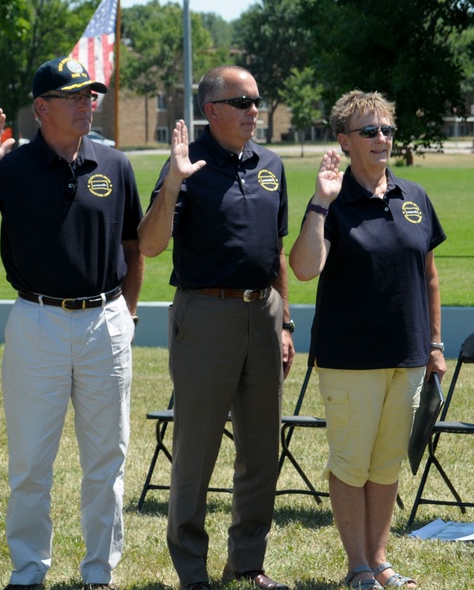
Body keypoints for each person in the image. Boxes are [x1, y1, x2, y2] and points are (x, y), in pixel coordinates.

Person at [0, 56, 144, 590]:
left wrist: (128, 313)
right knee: (32, 462)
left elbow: (134, 246)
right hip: (36, 322)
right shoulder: (10, 166)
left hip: (106, 320)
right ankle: (28, 571)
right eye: (75, 97)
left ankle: (100, 572)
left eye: (90, 96)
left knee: (107, 460)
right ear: (42, 108)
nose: (87, 105)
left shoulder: (115, 164)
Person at [138, 65, 294, 590]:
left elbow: (275, 254)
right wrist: (175, 182)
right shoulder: (187, 164)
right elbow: (151, 244)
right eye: (243, 101)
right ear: (212, 110)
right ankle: (191, 569)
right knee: (197, 449)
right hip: (206, 314)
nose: (255, 109)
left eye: (257, 99)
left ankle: (247, 561)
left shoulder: (271, 165)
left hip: (264, 313)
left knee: (261, 447)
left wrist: (286, 322)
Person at [289, 90, 447, 590]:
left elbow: (430, 277)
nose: (382, 139)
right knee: (352, 465)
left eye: (387, 130)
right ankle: (357, 565)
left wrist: (436, 345)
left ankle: (380, 561)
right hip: (350, 359)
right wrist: (320, 202)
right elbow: (304, 268)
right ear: (345, 141)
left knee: (385, 464)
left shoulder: (415, 197)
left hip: (407, 356)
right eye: (369, 131)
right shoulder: (333, 202)